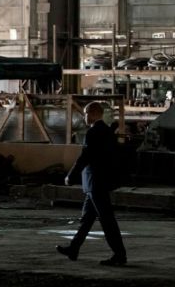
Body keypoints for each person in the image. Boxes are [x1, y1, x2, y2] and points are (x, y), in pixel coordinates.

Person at [56, 101, 127, 266]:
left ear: (94, 113)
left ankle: (120, 255)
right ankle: (73, 248)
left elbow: (85, 157)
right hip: (98, 182)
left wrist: (71, 176)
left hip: (95, 183)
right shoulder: (108, 132)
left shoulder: (94, 132)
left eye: (86, 113)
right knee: (86, 219)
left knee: (107, 221)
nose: (84, 116)